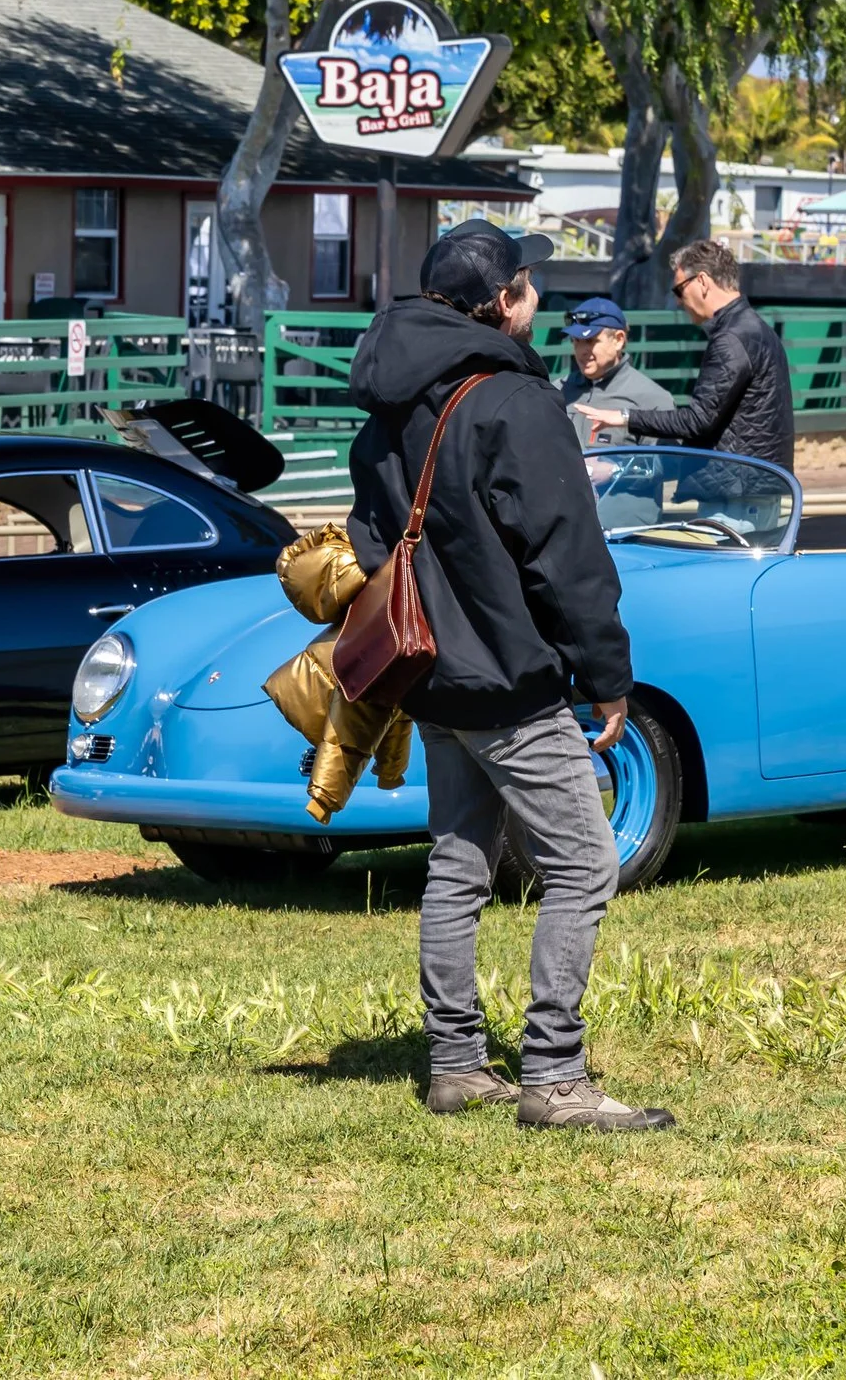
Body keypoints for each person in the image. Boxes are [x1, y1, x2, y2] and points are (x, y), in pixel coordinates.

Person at [344, 219, 672, 1134]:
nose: (538, 298)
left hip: (426, 673)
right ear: (500, 304)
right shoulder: (514, 402)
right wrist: (609, 677)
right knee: (585, 861)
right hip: (508, 681)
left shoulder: (387, 402)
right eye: (528, 283)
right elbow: (567, 556)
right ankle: (555, 1077)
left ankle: (456, 1063)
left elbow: (372, 545)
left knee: (457, 864)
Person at [571, 239, 793, 473]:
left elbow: (698, 420)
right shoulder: (753, 328)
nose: (678, 300)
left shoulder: (732, 337)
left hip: (738, 488)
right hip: (754, 480)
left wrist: (625, 417)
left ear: (702, 281)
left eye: (679, 289)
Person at [558, 296, 670, 450]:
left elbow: (663, 464)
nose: (582, 351)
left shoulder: (653, 400)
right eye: (576, 341)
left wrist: (615, 468)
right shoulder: (557, 392)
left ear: (618, 340)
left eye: (590, 340)